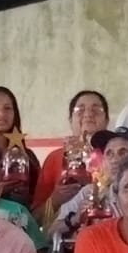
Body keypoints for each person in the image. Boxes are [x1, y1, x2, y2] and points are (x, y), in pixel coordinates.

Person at [33, 89, 110, 218]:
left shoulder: (114, 156)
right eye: (80, 110)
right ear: (70, 120)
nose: (88, 114)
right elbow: (34, 218)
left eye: (96, 110)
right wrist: (54, 201)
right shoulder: (55, 158)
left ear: (107, 120)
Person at [0, 85, 40, 209]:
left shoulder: (28, 156)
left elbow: (40, 198)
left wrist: (28, 198)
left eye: (7, 108)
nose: (1, 114)